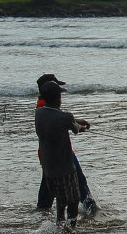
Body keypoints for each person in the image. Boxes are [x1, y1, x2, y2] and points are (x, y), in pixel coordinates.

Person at [35, 74, 97, 216]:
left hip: (48, 154)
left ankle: (42, 211)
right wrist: (77, 126)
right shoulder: (43, 106)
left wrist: (75, 121)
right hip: (62, 153)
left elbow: (60, 117)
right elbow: (64, 120)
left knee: (49, 184)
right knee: (78, 179)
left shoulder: (41, 109)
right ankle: (90, 206)